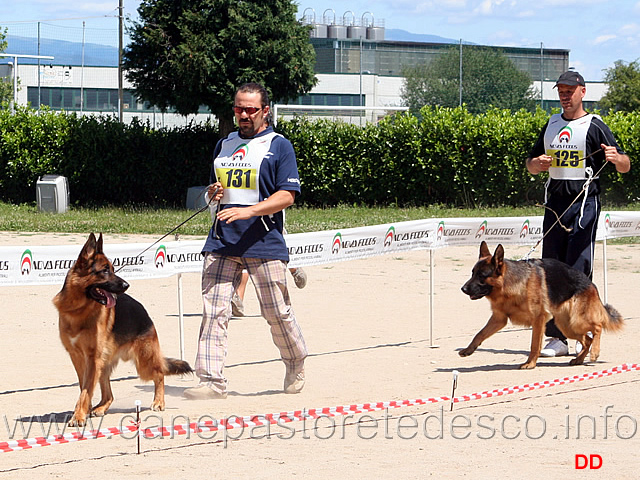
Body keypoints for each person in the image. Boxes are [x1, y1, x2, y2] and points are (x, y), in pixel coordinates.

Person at [184, 82, 307, 399]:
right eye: (239, 108)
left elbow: (287, 195)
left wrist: (248, 211)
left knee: (276, 312)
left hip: (263, 242)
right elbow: (217, 189)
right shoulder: (224, 144)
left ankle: (295, 362)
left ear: (265, 111)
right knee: (214, 312)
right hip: (222, 242)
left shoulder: (279, 146)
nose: (243, 115)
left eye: (250, 109)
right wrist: (213, 193)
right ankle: (211, 381)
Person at [526, 70, 630, 357]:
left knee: (578, 270)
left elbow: (625, 164)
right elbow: (530, 164)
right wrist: (537, 163)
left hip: (584, 204)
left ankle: (584, 332)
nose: (565, 95)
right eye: (561, 90)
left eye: (570, 90)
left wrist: (616, 159)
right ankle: (557, 337)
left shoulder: (594, 125)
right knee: (550, 270)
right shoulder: (552, 124)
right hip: (555, 205)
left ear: (582, 92)